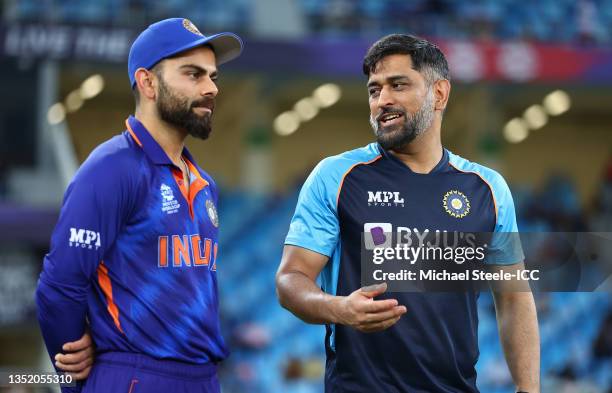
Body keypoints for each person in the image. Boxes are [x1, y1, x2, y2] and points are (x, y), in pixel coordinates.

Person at [276, 34, 540, 393]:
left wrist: (529, 389)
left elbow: (513, 297)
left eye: (398, 85)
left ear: (440, 94)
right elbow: (290, 280)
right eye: (374, 90)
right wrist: (338, 308)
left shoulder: (488, 189)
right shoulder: (336, 177)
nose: (382, 100)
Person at [36, 18, 242, 393]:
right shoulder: (112, 168)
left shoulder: (204, 183)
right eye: (193, 74)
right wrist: (73, 373)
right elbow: (58, 285)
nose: (211, 87)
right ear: (148, 83)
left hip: (203, 378)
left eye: (212, 76)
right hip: (135, 376)